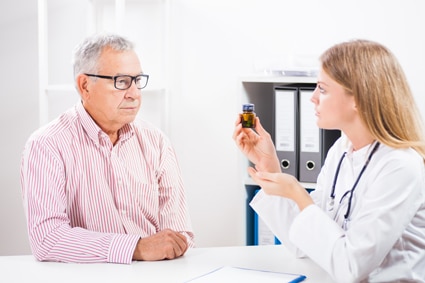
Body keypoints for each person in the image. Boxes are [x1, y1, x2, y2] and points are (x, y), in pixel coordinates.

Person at [233, 39, 425, 282]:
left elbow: (351, 268)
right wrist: (269, 166)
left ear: (358, 97)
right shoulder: (342, 150)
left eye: (322, 89)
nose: (312, 98)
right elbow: (304, 246)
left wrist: (298, 193)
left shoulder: (400, 166)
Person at [20, 34, 194, 264]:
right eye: (121, 81)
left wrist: (169, 247)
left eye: (137, 80)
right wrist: (136, 248)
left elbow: (178, 235)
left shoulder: (157, 143)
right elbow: (48, 239)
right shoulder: (47, 145)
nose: (134, 93)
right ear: (85, 86)